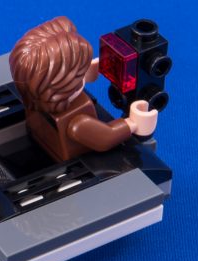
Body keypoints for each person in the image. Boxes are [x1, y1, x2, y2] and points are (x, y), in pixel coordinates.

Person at [9, 16, 158, 162]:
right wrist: (133, 123)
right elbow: (105, 138)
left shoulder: (34, 96)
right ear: (62, 86)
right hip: (75, 160)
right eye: (77, 75)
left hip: (39, 138)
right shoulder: (77, 122)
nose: (82, 75)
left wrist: (83, 72)